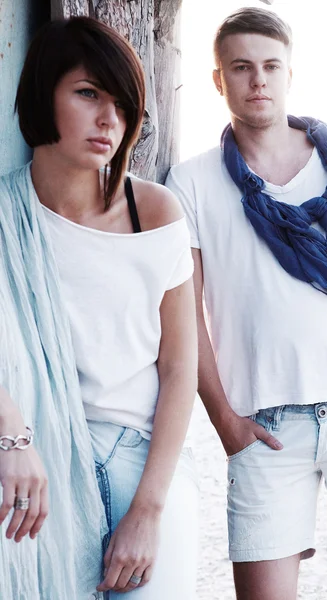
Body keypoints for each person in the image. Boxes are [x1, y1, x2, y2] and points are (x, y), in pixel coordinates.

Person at [166, 7, 327, 600]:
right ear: (218, 79)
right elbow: (186, 319)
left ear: (291, 73)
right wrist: (224, 421)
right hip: (264, 426)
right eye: (241, 67)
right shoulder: (189, 182)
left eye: (271, 66)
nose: (258, 80)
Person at [0, 16, 198, 600]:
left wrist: (149, 510)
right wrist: (13, 438)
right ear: (43, 95)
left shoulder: (156, 211)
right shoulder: (8, 220)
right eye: (88, 94)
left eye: (122, 102)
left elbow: (179, 368)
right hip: (34, 459)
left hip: (139, 455)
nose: (109, 119)